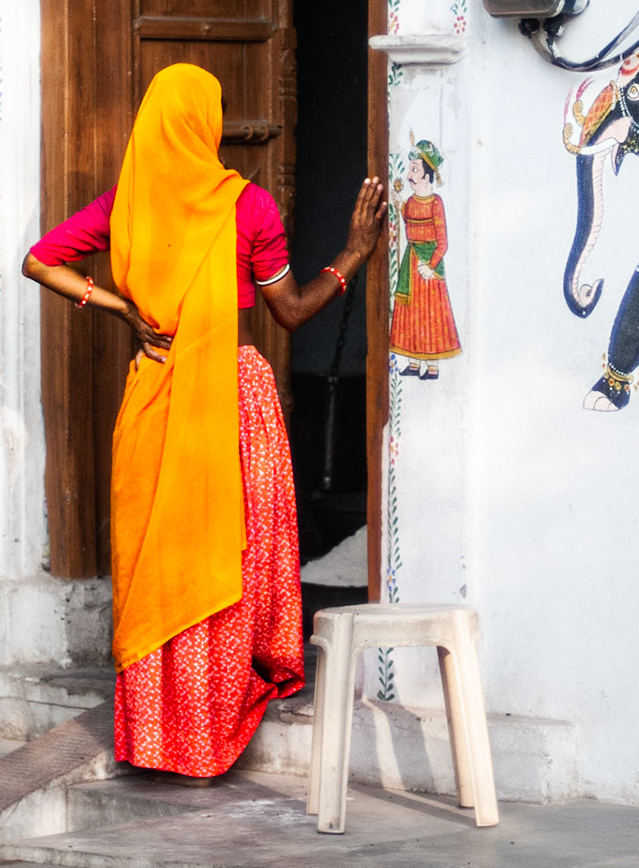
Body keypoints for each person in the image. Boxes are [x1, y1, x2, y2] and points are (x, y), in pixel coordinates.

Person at [23, 63, 384, 785]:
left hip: (154, 394)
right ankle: (210, 727)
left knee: (162, 555)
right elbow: (291, 309)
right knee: (229, 553)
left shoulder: (123, 206)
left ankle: (159, 735)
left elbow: (39, 261)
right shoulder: (244, 206)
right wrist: (353, 255)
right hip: (229, 394)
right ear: (204, 124)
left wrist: (122, 308)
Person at [388, 138, 461, 379]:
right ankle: (412, 361)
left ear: (427, 174)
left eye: (415, 168)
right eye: (411, 168)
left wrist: (430, 266)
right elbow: (407, 222)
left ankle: (431, 366)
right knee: (410, 314)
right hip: (411, 263)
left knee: (431, 316)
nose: (410, 173)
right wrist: (397, 201)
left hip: (428, 266)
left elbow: (443, 242)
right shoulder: (410, 202)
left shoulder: (436, 203)